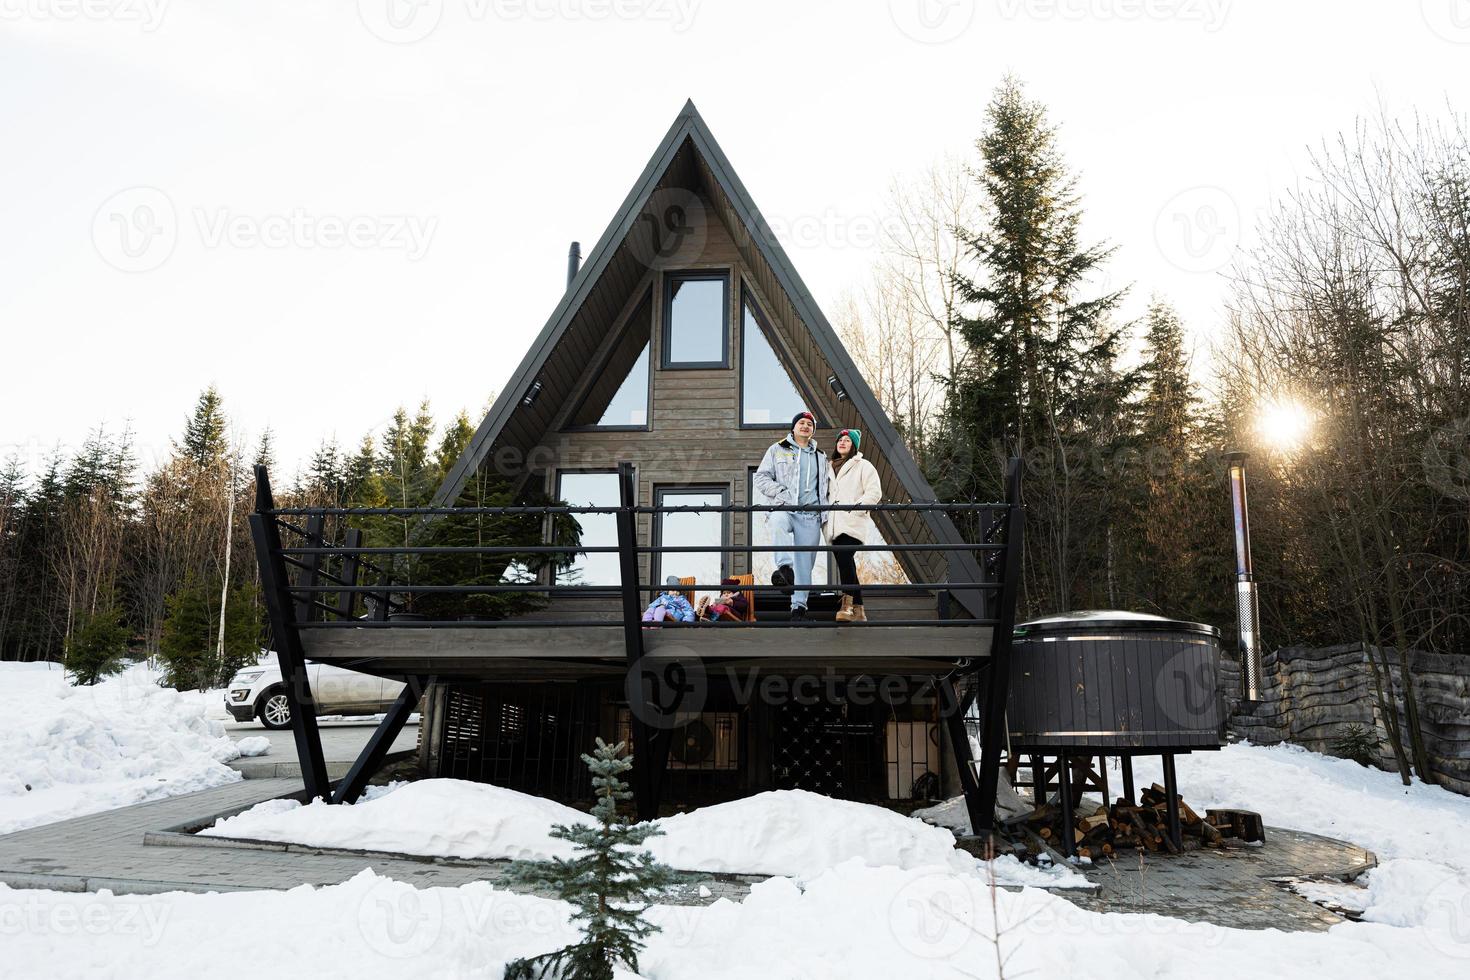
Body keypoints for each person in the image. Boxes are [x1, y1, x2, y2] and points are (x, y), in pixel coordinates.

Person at [752, 410, 829, 621]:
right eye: (802, 423)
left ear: (813, 431)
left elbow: (826, 487)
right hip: (784, 507)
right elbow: (760, 478)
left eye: (810, 424)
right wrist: (781, 493)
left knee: (805, 563)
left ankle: (799, 608)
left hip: (811, 515)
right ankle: (785, 569)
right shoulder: (777, 449)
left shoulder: (821, 457)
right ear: (793, 428)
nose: (805, 426)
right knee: (777, 522)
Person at [824, 428, 881, 623]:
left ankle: (847, 606)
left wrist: (854, 509)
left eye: (847, 440)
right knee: (845, 563)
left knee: (845, 558)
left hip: (852, 522)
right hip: (833, 525)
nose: (842, 443)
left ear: (854, 446)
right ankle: (859, 610)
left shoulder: (863, 466)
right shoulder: (828, 467)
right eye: (840, 440)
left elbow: (874, 492)